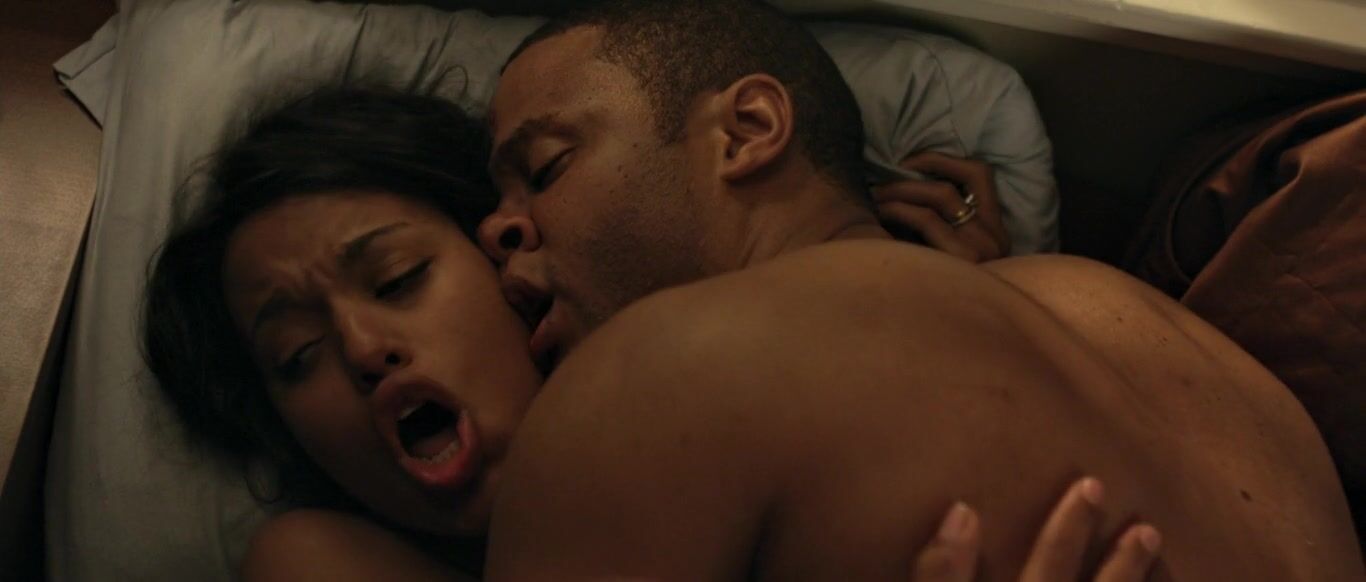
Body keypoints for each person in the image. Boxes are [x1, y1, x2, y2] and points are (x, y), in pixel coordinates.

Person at [464, 0, 1362, 579]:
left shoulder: (651, 380)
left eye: (544, 168)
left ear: (748, 129)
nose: (495, 229)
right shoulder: (1133, 317)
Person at [144, 87, 1157, 581]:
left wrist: (944, 319)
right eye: (297, 358)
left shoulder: (716, 397)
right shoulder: (319, 559)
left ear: (512, 263)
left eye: (400, 279)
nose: (366, 349)